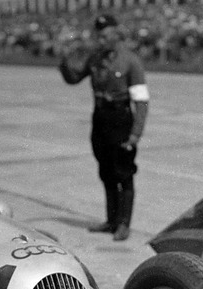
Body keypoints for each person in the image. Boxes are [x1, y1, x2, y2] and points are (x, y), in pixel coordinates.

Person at [59, 14, 150, 241]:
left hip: (121, 120)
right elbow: (73, 78)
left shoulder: (130, 61)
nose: (101, 40)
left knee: (124, 173)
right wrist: (64, 57)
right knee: (106, 171)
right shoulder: (95, 59)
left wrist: (136, 133)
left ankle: (124, 224)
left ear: (116, 35)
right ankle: (111, 220)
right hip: (100, 120)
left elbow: (141, 100)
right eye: (99, 36)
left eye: (106, 35)